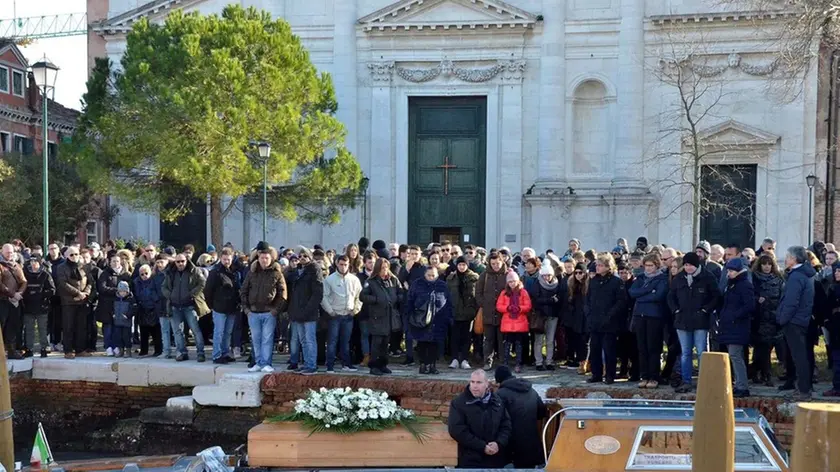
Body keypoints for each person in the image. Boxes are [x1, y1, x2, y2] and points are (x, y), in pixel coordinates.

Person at [668, 252, 720, 393]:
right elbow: (671, 297)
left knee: (702, 351)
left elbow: (716, 296)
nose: (688, 267)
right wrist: (676, 310)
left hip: (700, 321)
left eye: (690, 265)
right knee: (686, 352)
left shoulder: (707, 277)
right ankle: (686, 381)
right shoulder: (679, 278)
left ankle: (704, 381)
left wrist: (705, 310)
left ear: (696, 265)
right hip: (682, 321)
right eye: (685, 265)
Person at [447, 369, 512, 469]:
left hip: (495, 459)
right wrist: (482, 446)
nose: (474, 386)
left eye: (479, 382)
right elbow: (457, 430)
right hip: (470, 461)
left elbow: (506, 426)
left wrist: (498, 443)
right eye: (472, 382)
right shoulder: (459, 403)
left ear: (487, 384)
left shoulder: (497, 401)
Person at [776, 246, 816, 400]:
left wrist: (782, 319)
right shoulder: (805, 274)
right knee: (801, 356)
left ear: (794, 258)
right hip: (801, 320)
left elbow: (791, 301)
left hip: (794, 321)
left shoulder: (796, 276)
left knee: (799, 357)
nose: (785, 259)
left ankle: (804, 391)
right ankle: (804, 388)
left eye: (787, 256)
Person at [241, 244, 288, 373]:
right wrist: (246, 309)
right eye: (262, 258)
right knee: (256, 339)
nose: (264, 260)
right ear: (258, 258)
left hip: (269, 312)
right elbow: (243, 291)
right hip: (253, 312)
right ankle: (258, 362)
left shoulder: (276, 273)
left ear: (271, 259)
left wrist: (276, 310)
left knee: (267, 339)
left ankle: (266, 363)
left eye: (266, 258)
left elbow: (282, 293)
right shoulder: (252, 273)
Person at [493, 365, 547, 468]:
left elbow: (495, 420)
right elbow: (542, 412)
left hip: (511, 449)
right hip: (532, 446)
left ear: (498, 380)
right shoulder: (531, 391)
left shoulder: (500, 394)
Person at [629, 254, 669, 388]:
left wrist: (641, 295)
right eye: (646, 265)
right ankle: (644, 375)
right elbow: (632, 292)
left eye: (651, 265)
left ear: (657, 265)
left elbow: (658, 295)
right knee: (642, 347)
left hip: (654, 316)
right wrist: (647, 290)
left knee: (653, 347)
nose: (648, 268)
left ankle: (654, 376)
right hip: (640, 315)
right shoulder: (641, 278)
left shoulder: (662, 279)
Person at [162, 252, 210, 363]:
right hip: (174, 306)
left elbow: (202, 283)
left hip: (189, 306)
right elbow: (163, 287)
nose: (180, 264)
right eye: (178, 261)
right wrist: (170, 295)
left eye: (182, 261)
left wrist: (192, 294)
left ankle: (200, 353)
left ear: (186, 261)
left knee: (195, 330)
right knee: (177, 331)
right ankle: (182, 352)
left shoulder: (194, 271)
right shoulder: (170, 272)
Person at [585, 254, 626, 384]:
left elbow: (620, 302)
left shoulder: (616, 282)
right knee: (595, 348)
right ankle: (596, 374)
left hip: (609, 322)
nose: (597, 267)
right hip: (594, 320)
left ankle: (610, 375)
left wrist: (609, 316)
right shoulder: (594, 281)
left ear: (608, 267)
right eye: (597, 265)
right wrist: (588, 313)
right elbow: (588, 298)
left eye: (601, 265)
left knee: (609, 350)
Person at [718, 258, 756, 398]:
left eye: (732, 271)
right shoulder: (732, 284)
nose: (729, 273)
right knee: (734, 356)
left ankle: (742, 386)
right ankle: (738, 384)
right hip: (730, 325)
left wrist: (734, 316)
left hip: (737, 326)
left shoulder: (744, 285)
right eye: (728, 270)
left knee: (736, 356)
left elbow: (749, 305)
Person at [359, 258, 403, 376]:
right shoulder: (371, 281)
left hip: (389, 316)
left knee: (385, 343)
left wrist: (397, 299)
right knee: (376, 343)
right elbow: (363, 296)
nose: (385, 270)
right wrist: (377, 300)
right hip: (377, 316)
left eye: (386, 267)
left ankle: (383, 364)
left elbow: (401, 292)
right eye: (382, 268)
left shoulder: (393, 280)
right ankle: (374, 366)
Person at [321, 255, 362, 373]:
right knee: (332, 341)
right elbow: (324, 297)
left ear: (349, 264)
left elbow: (360, 296)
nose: (343, 267)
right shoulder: (329, 279)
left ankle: (346, 364)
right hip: (335, 315)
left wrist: (355, 310)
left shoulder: (354, 279)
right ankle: (330, 365)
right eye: (341, 264)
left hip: (348, 315)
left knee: (346, 341)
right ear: (336, 264)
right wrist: (330, 311)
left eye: (345, 264)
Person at [408, 265, 452, 375]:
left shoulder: (442, 285)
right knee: (422, 343)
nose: (431, 277)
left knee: (435, 344)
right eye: (429, 275)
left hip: (438, 320)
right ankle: (423, 365)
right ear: (425, 275)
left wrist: (449, 318)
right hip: (420, 319)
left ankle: (433, 365)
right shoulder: (417, 284)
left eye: (434, 275)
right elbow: (409, 301)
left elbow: (448, 303)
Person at [204, 248, 243, 364]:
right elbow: (207, 291)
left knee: (228, 333)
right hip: (219, 307)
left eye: (229, 259)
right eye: (225, 259)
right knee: (219, 332)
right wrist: (212, 305)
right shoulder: (215, 272)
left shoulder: (235, 272)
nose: (227, 261)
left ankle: (225, 353)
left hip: (232, 307)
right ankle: (217, 355)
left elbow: (237, 289)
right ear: (221, 258)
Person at [751, 253, 784, 387]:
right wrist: (756, 300)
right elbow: (749, 295)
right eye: (764, 264)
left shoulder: (779, 279)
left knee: (768, 347)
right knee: (761, 348)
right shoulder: (754, 278)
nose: (766, 267)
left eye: (769, 264)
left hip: (774, 317)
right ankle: (762, 374)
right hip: (759, 319)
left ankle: (762, 372)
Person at [55, 247, 91, 359]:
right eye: (71, 255)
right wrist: (77, 293)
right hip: (68, 301)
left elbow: (90, 281)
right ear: (66, 256)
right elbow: (63, 283)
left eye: (76, 254)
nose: (74, 256)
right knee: (68, 326)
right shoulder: (61, 267)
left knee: (81, 326)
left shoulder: (83, 266)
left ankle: (80, 349)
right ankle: (68, 350)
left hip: (82, 301)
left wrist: (85, 293)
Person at [446, 256, 479, 370]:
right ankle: (454, 358)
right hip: (454, 312)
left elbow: (476, 295)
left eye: (463, 265)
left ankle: (464, 359)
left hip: (468, 312)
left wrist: (474, 310)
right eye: (459, 265)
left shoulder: (474, 278)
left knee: (467, 337)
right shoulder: (451, 278)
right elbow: (448, 295)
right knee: (454, 337)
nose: (461, 267)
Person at [497, 270, 532, 373]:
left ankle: (518, 363)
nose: (512, 283)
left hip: (520, 321)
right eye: (510, 282)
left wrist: (519, 308)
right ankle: (506, 363)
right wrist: (507, 308)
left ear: (518, 281)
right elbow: (499, 305)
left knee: (519, 344)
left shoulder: (523, 292)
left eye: (514, 281)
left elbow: (528, 305)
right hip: (508, 322)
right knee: (507, 344)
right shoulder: (504, 293)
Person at [530, 259, 563, 371]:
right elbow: (536, 300)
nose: (546, 278)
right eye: (544, 275)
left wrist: (551, 301)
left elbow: (559, 299)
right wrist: (550, 300)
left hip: (553, 315)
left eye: (548, 275)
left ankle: (549, 361)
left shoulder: (557, 284)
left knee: (550, 340)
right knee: (538, 340)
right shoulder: (537, 283)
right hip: (540, 315)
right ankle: (539, 362)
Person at [97, 253, 132, 357]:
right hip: (107, 304)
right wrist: (116, 290)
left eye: (117, 261)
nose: (115, 263)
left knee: (118, 328)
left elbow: (129, 288)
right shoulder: (105, 273)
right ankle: (108, 346)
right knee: (108, 327)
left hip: (121, 305)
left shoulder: (125, 274)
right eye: (113, 261)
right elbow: (102, 288)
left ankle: (117, 346)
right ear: (109, 262)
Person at [477, 252, 508, 370]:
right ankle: (487, 361)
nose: (495, 266)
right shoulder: (484, 275)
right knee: (488, 339)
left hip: (503, 313)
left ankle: (502, 361)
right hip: (488, 313)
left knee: (502, 340)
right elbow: (478, 292)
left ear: (502, 262)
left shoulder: (507, 274)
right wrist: (483, 303)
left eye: (497, 263)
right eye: (493, 263)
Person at [21, 255, 55, 358]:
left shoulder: (45, 274)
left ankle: (44, 348)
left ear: (39, 263)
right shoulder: (25, 273)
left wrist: (40, 294)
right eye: (31, 261)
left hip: (42, 306)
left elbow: (52, 290)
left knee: (42, 329)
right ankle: (29, 348)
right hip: (28, 306)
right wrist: (28, 295)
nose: (33, 263)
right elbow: (22, 287)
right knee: (29, 329)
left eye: (35, 261)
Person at [0, 243, 27, 359]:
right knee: (2, 325)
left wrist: (19, 293)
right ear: (2, 252)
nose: (9, 254)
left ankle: (11, 350)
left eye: (11, 252)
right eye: (7, 252)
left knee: (13, 326)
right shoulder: (1, 266)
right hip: (2, 300)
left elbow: (23, 281)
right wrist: (12, 294)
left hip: (14, 301)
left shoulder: (16, 265)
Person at [133, 264, 164, 357]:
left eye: (146, 273)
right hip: (142, 308)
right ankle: (144, 350)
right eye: (142, 274)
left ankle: (158, 350)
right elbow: (136, 295)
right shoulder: (136, 282)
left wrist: (154, 300)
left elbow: (159, 294)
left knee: (156, 331)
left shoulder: (154, 281)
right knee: (143, 331)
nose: (144, 276)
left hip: (154, 308)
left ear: (150, 272)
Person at [823, 262, 840, 397]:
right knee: (836, 358)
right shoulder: (833, 288)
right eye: (836, 271)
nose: (836, 273)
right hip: (835, 327)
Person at [112, 281, 136, 357]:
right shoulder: (115, 298)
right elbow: (112, 308)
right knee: (118, 337)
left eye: (124, 291)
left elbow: (134, 309)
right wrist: (113, 314)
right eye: (121, 291)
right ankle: (121, 350)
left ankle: (128, 351)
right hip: (117, 321)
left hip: (126, 322)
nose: (122, 293)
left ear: (127, 291)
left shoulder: (131, 299)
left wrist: (128, 315)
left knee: (127, 337)